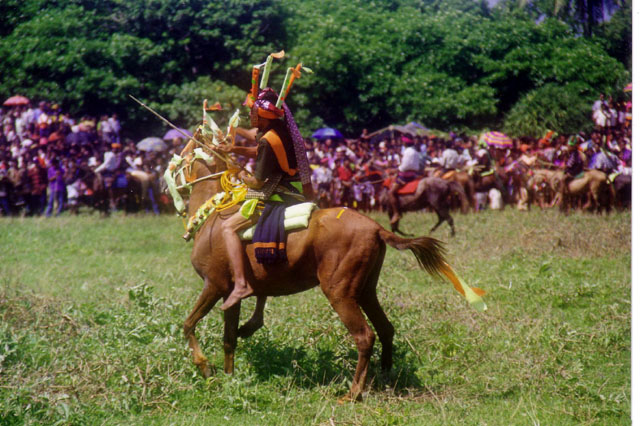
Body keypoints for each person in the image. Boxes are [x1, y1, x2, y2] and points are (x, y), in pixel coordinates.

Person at [214, 74, 311, 310]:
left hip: (280, 193)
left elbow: (257, 182)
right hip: (286, 186)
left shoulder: (269, 140)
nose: (251, 116)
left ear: (264, 117)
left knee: (227, 227)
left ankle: (240, 284)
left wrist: (238, 173)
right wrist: (233, 147)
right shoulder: (275, 133)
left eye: (254, 113)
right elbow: (258, 149)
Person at [388, 136, 421, 225]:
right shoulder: (415, 152)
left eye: (402, 142)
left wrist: (396, 169)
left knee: (391, 192)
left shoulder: (407, 152)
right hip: (414, 174)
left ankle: (396, 213)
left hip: (405, 176)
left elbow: (404, 167)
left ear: (405, 143)